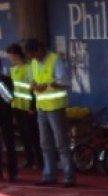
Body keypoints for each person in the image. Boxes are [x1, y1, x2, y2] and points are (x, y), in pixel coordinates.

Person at [24, 38, 74, 187]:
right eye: (31, 56)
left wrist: (46, 86)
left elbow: (64, 82)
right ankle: (49, 175)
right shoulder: (34, 63)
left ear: (40, 49)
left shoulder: (54, 60)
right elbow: (33, 80)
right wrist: (33, 85)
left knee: (61, 143)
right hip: (42, 107)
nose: (34, 58)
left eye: (34, 54)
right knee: (45, 144)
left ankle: (69, 177)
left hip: (56, 107)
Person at [6, 43, 42, 169]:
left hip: (28, 106)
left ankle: (40, 160)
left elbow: (33, 88)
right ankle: (30, 160)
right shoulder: (13, 70)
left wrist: (32, 106)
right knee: (23, 135)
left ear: (16, 55)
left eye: (10, 56)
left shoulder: (29, 68)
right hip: (17, 105)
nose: (9, 59)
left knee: (33, 134)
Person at [0, 64, 18, 182]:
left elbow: (9, 98)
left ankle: (12, 172)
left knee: (9, 143)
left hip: (5, 115)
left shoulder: (6, 80)